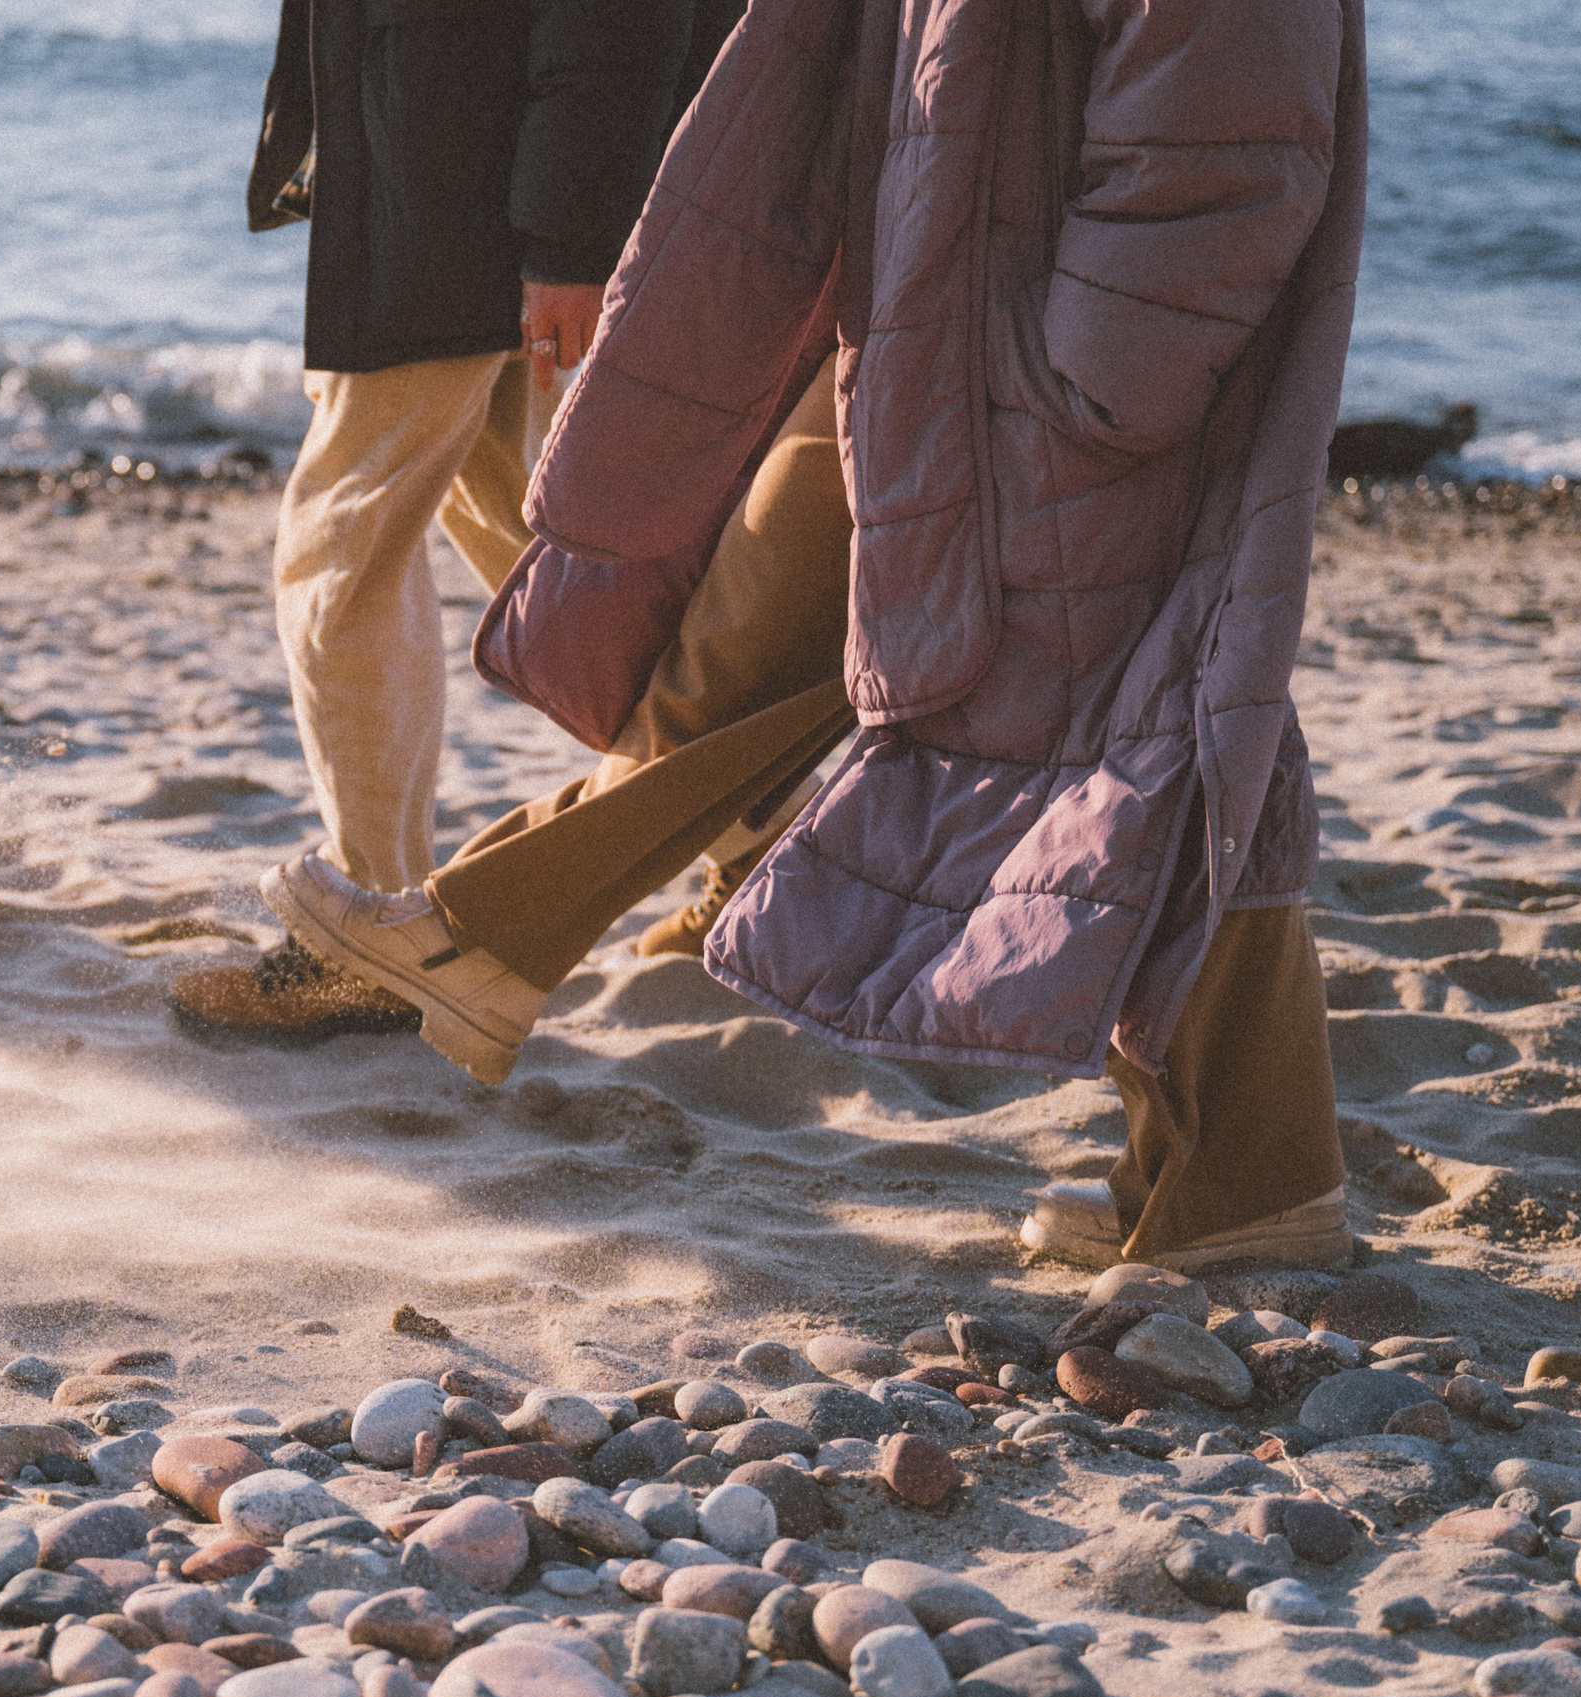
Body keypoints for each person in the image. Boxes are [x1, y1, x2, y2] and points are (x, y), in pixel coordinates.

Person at [262, 0, 1372, 1276]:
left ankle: (1250, 1178)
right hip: (933, 312)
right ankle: (488, 934)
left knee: (1161, 727)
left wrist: (1090, 377)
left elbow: (1222, 136)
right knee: (823, 620)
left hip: (1058, 374)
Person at [168, 0, 743, 1042]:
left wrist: (567, 236)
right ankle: (755, 834)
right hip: (451, 179)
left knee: (339, 553)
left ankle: (366, 932)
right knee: (546, 559)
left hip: (459, 202)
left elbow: (614, 24)